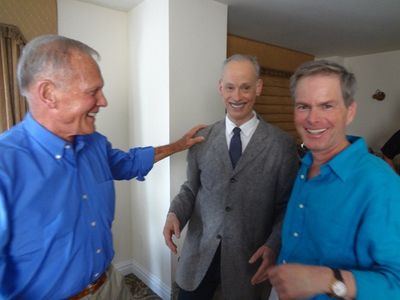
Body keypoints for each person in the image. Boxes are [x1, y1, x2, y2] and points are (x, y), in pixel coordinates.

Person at [0, 34, 205, 299]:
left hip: (111, 285)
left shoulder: (95, 143)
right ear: (48, 93)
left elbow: (129, 163)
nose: (103, 101)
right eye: (92, 91)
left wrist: (177, 145)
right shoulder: (6, 165)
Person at [162, 54, 299, 300]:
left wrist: (273, 244)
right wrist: (175, 213)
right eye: (230, 87)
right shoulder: (201, 138)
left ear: (258, 87)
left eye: (245, 87)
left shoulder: (282, 145)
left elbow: (286, 207)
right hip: (198, 257)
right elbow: (191, 188)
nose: (237, 97)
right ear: (220, 88)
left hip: (248, 263)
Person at [267, 60, 400, 299]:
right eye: (303, 106)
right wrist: (276, 251)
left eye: (326, 106)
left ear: (350, 111)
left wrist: (328, 280)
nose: (313, 119)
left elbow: (396, 284)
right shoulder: (305, 163)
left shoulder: (380, 183)